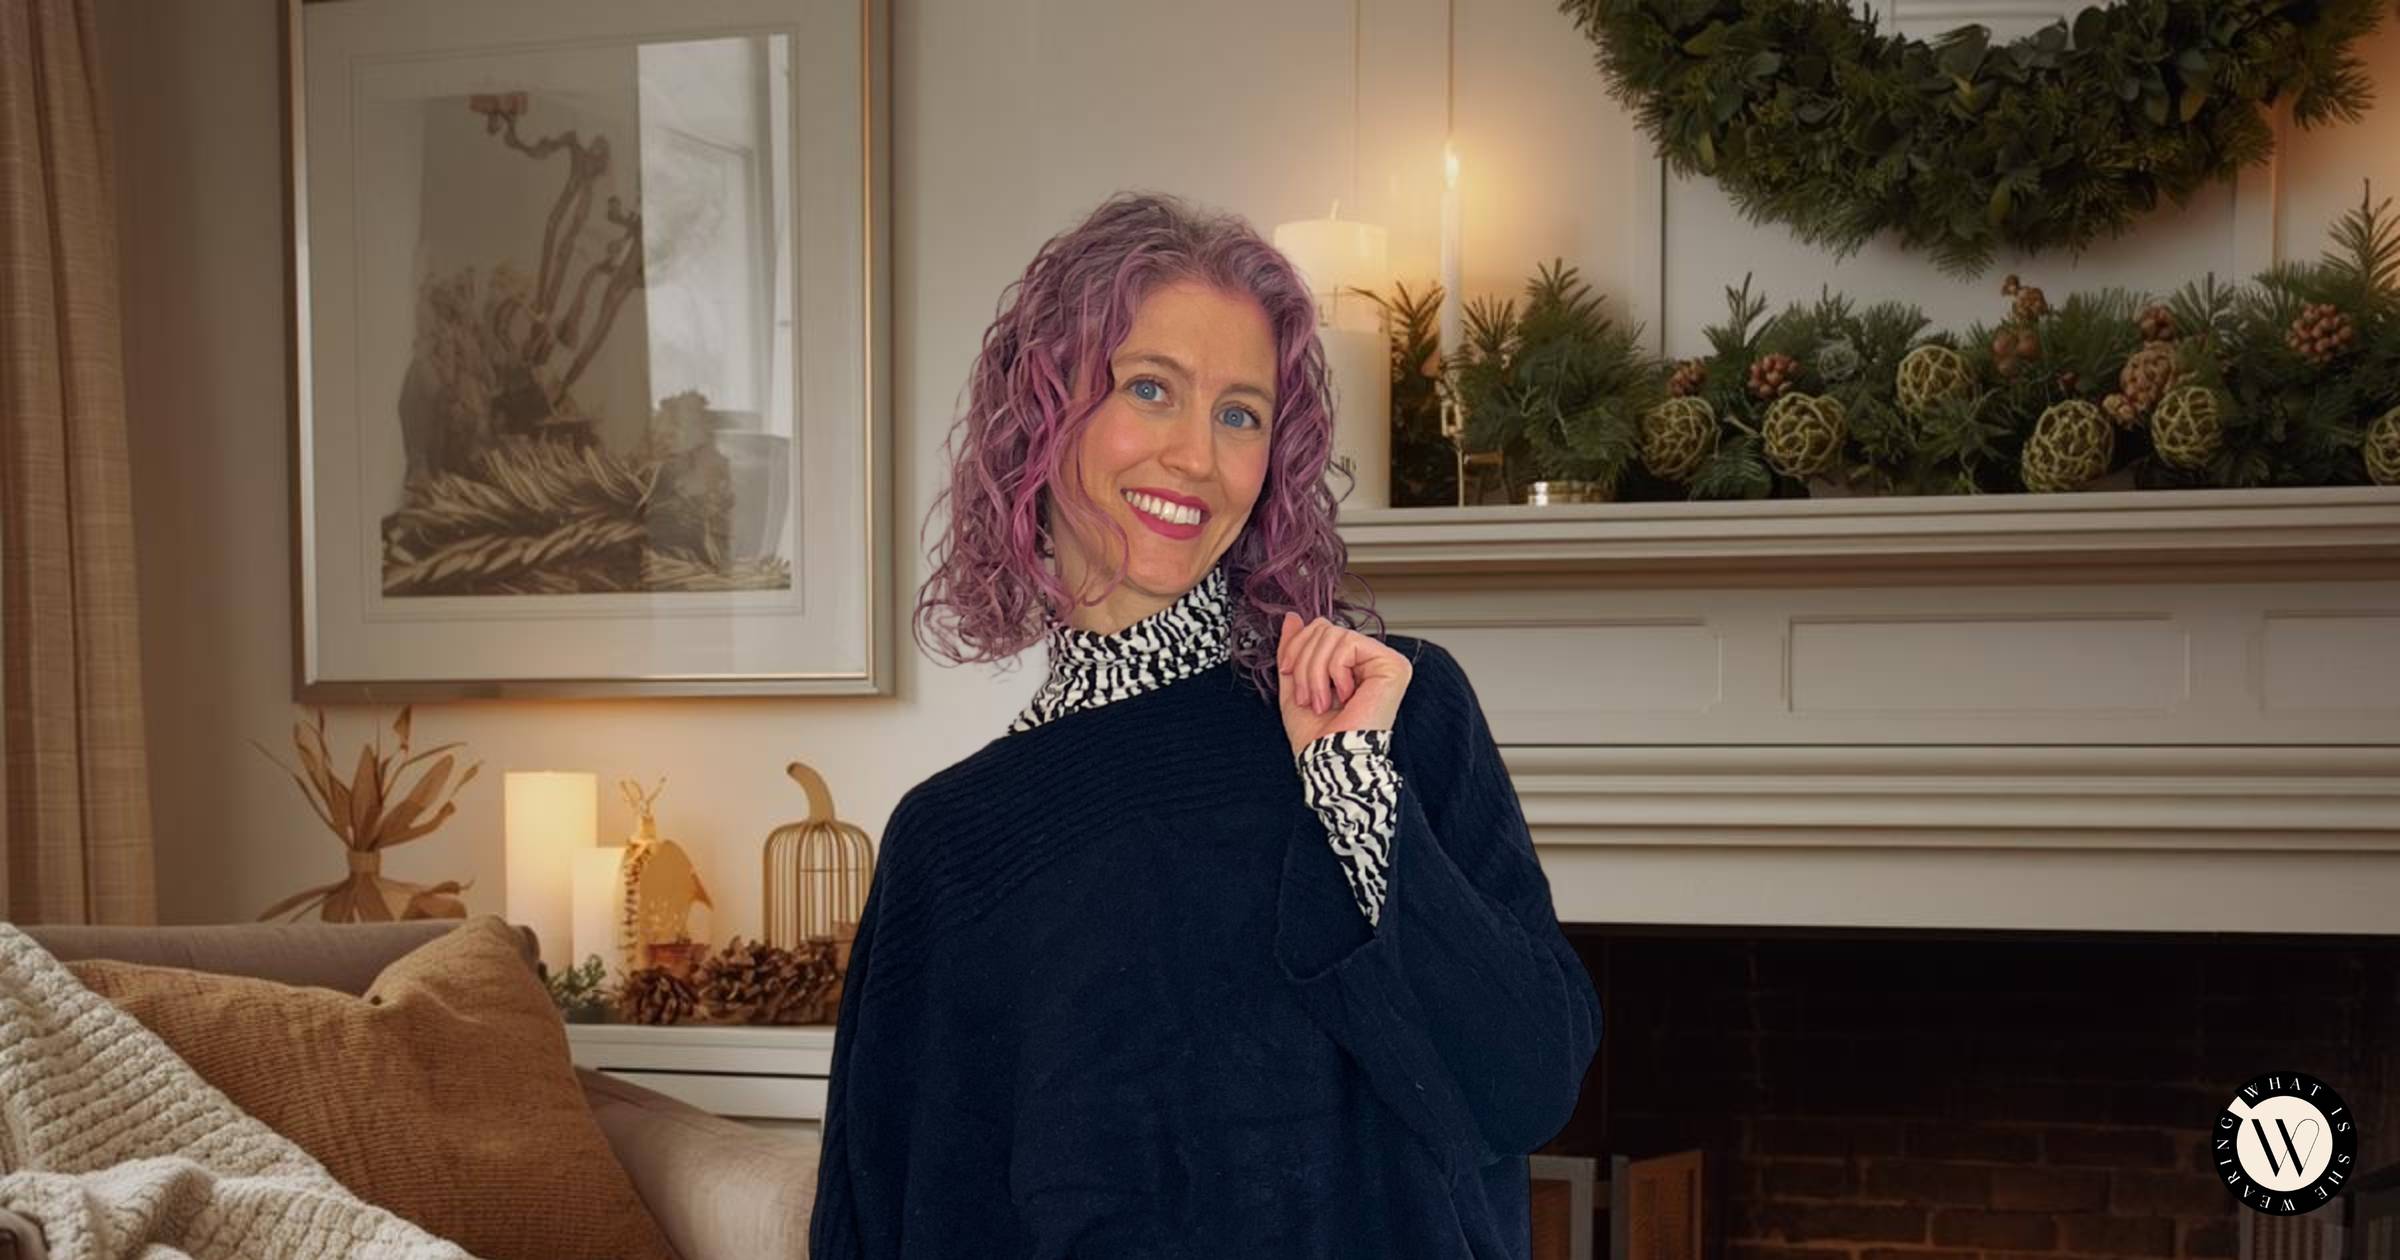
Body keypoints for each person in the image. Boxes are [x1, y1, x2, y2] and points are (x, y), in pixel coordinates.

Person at [808, 190, 1601, 1259]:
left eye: (1240, 413)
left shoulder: (1394, 707)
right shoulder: (956, 845)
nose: (1195, 456)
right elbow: (900, 1215)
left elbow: (1527, 1087)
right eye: (1150, 390)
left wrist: (1356, 796)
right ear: (1044, 414)